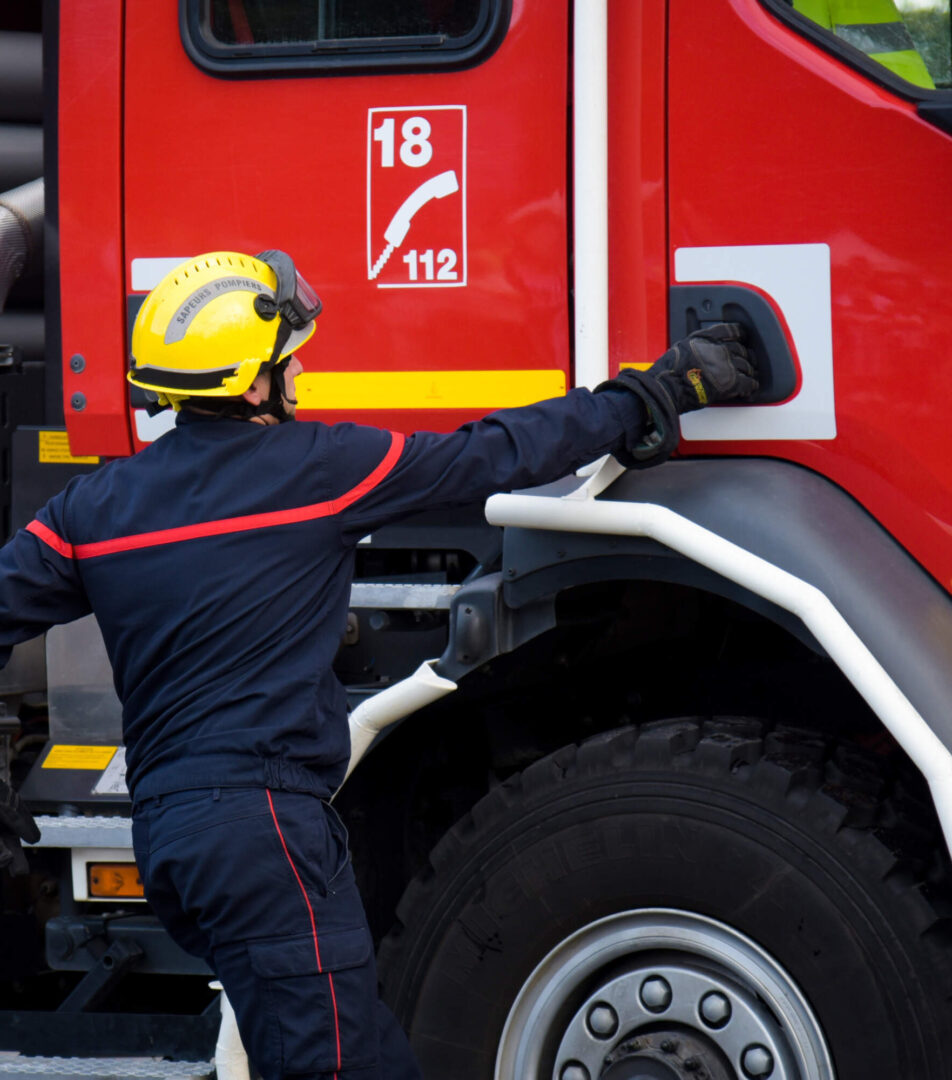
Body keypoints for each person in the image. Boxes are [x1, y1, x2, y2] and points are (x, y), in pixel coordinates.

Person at [0, 250, 757, 1079]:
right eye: (288, 363)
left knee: (364, 1053)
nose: (298, 377)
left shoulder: (93, 508)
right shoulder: (317, 470)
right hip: (263, 834)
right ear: (251, 385)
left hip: (169, 840)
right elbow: (494, 453)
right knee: (333, 1064)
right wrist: (656, 393)